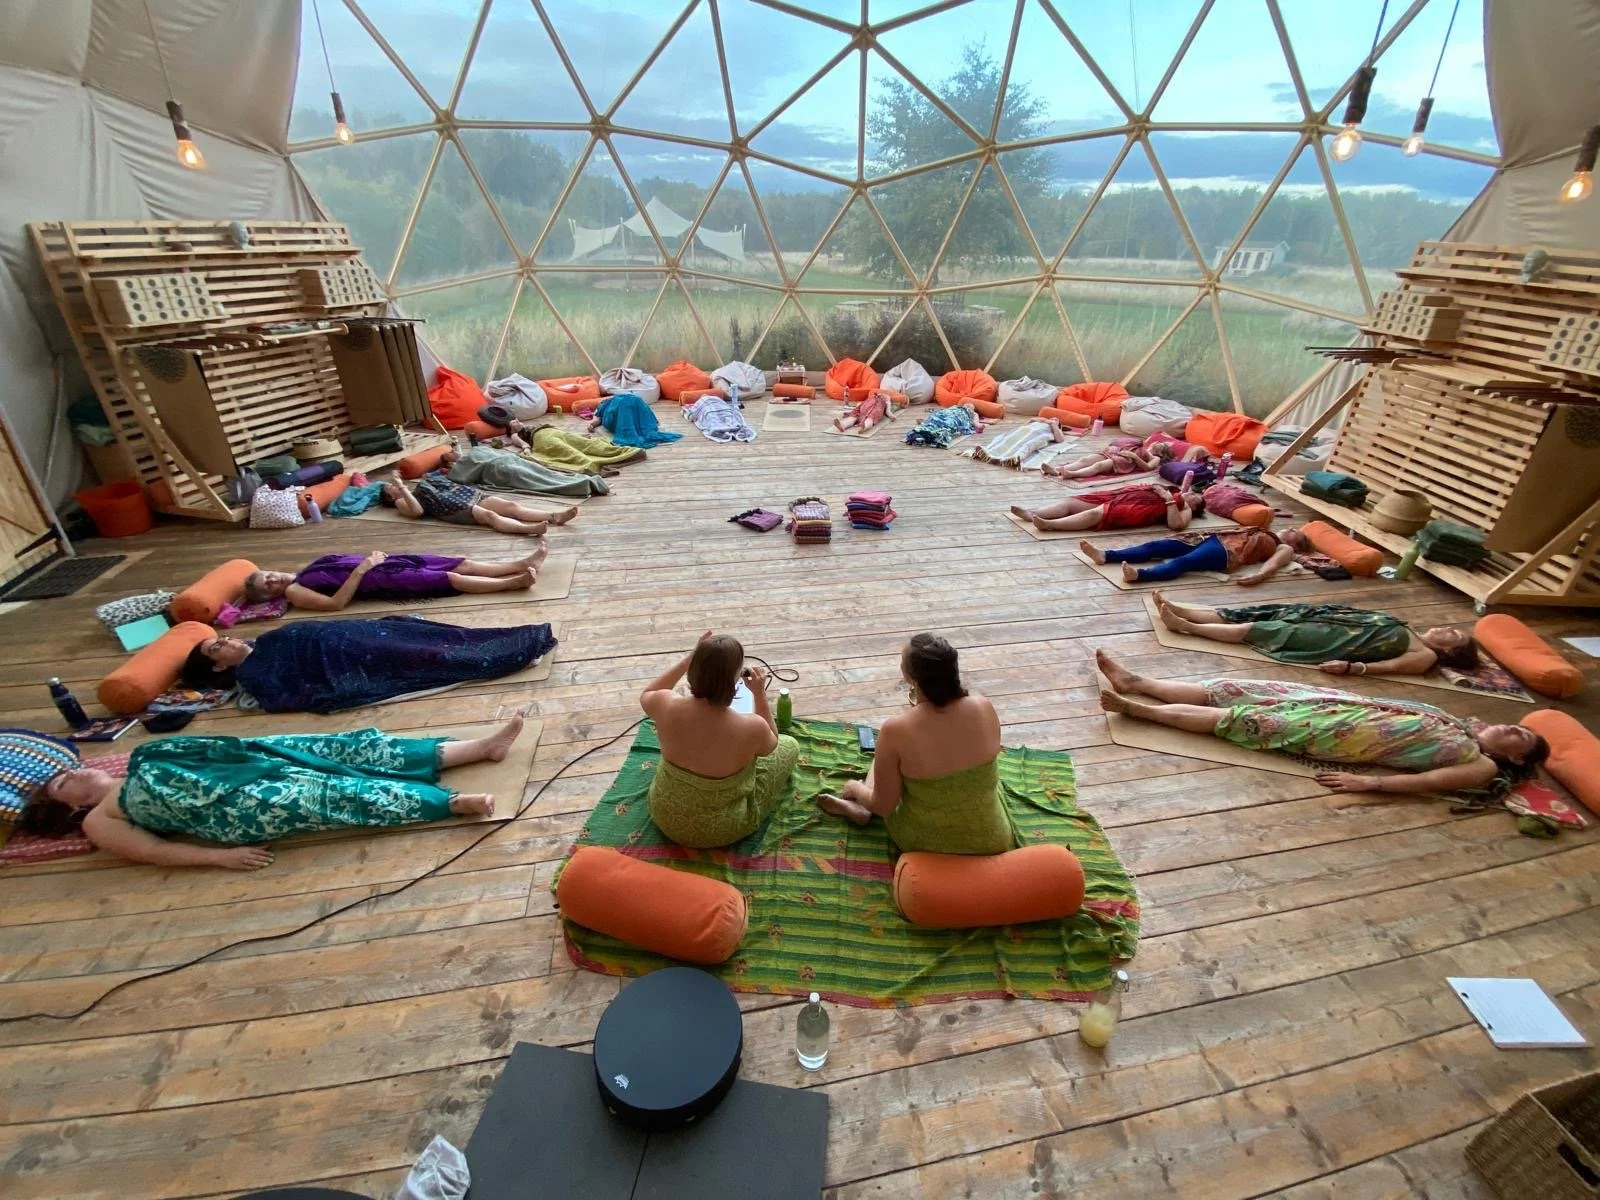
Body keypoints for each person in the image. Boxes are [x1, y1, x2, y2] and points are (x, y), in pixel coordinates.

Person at [15, 714, 528, 869]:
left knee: (351, 749)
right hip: (232, 808)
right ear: (71, 805)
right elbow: (149, 850)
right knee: (325, 795)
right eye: (64, 782)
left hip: (253, 755)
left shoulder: (136, 760)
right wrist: (219, 858)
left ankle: (477, 749)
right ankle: (446, 804)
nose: (76, 773)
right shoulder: (98, 819)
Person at [1094, 649, 1547, 797]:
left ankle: (1138, 709)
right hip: (1335, 703)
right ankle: (1139, 681)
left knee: (1238, 718)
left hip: (1342, 734)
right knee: (1236, 688)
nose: (1512, 727)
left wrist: (1372, 786)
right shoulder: (1466, 723)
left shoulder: (1481, 763)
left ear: (1513, 757)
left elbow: (1434, 779)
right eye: (1518, 725)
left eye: (1519, 736)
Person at [815, 633, 1015, 854]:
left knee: (885, 756)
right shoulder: (983, 706)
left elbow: (884, 806)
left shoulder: (896, 731)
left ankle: (861, 808)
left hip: (928, 843)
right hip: (991, 839)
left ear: (910, 676)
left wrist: (856, 787)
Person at [182, 617, 557, 713]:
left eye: (222, 637)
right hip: (357, 661)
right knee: (437, 657)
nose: (228, 639)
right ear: (217, 668)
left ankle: (522, 638)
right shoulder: (253, 675)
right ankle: (517, 651)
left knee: (441, 636)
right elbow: (292, 694)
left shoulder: (264, 640)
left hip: (364, 634)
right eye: (218, 648)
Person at [640, 632, 799, 848]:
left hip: (665, 815)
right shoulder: (752, 727)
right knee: (790, 746)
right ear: (734, 680)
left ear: (694, 670)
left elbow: (649, 692)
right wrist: (759, 695)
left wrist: (688, 659)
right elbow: (772, 745)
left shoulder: (665, 704)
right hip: (720, 830)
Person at [1152, 593, 1481, 676]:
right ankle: (1184, 612)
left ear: (1450, 652)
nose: (1448, 629)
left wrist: (1353, 668)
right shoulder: (1407, 626)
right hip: (1326, 619)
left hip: (1330, 640)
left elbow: (1391, 668)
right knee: (1260, 612)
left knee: (1264, 630)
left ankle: (1187, 627)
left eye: (1454, 635)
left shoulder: (1424, 655)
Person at [242, 545, 547, 613]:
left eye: (268, 575)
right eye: (267, 586)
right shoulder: (296, 591)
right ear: (271, 597)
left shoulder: (305, 568)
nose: (272, 580)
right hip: (381, 581)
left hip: (386, 563)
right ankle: (511, 582)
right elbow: (335, 604)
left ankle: (517, 564)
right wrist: (363, 569)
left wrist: (372, 558)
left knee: (460, 562)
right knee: (448, 577)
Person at [1081, 526, 1300, 586]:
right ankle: (1106, 556)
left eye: (1294, 532)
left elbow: (1273, 564)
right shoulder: (1264, 528)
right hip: (1213, 537)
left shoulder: (1285, 548)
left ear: (1296, 542)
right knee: (1156, 546)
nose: (1289, 528)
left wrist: (1259, 576)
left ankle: (1140, 576)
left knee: (1184, 562)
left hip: (1228, 551)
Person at [380, 473, 577, 536]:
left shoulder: (415, 487)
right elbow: (417, 511)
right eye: (391, 487)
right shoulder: (400, 501)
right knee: (490, 517)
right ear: (390, 496)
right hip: (451, 506)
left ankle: (554, 516)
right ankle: (527, 529)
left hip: (465, 494)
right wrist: (402, 489)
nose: (394, 485)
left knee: (510, 506)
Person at [1010, 483, 1201, 533]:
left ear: (1195, 506)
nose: (1191, 494)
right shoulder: (1174, 489)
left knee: (1096, 514)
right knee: (1072, 502)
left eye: (1196, 498)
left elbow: (1175, 525)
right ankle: (1032, 513)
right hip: (1122, 495)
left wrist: (1168, 498)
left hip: (1138, 508)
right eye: (1193, 492)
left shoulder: (1186, 509)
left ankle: (1051, 524)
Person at [444, 444, 609, 498]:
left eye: (453, 452)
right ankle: (582, 484)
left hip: (512, 460)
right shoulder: (462, 465)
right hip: (500, 469)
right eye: (451, 456)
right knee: (538, 481)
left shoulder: (477, 449)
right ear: (451, 461)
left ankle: (585, 481)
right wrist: (454, 468)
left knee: (548, 473)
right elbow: (463, 477)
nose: (455, 453)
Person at [504, 419, 646, 473]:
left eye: (516, 420)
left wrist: (578, 436)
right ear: (511, 430)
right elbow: (519, 441)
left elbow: (563, 432)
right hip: (541, 439)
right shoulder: (515, 434)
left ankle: (623, 452)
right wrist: (526, 448)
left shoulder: (535, 424)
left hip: (554, 432)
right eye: (513, 423)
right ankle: (589, 465)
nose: (517, 421)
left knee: (587, 444)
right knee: (566, 451)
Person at [1042, 437, 1173, 479]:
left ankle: (1072, 474)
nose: (1157, 443)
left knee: (1099, 466)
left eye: (1161, 445)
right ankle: (1057, 470)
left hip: (1126, 461)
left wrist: (1134, 456)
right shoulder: (1141, 443)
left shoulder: (1155, 457)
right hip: (1116, 452)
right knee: (1085, 460)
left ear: (1162, 453)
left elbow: (1148, 467)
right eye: (1158, 442)